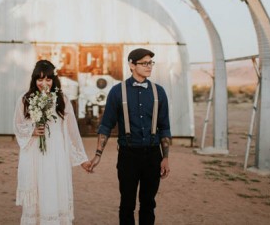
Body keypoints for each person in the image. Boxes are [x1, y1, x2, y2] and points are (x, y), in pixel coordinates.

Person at [89, 48, 171, 225]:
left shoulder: (159, 92)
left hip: (152, 155)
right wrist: (98, 154)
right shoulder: (117, 92)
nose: (149, 66)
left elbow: (164, 127)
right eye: (144, 63)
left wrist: (165, 157)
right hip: (128, 155)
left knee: (148, 204)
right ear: (131, 65)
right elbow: (106, 125)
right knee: (127, 204)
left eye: (151, 63)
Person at [14, 60, 92, 225]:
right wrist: (32, 131)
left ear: (54, 80)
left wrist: (82, 158)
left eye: (48, 79)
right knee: (37, 190)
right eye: (40, 79)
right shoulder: (25, 99)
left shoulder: (62, 99)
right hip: (34, 154)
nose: (44, 83)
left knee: (53, 189)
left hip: (56, 155)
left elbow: (72, 132)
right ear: (34, 80)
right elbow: (18, 126)